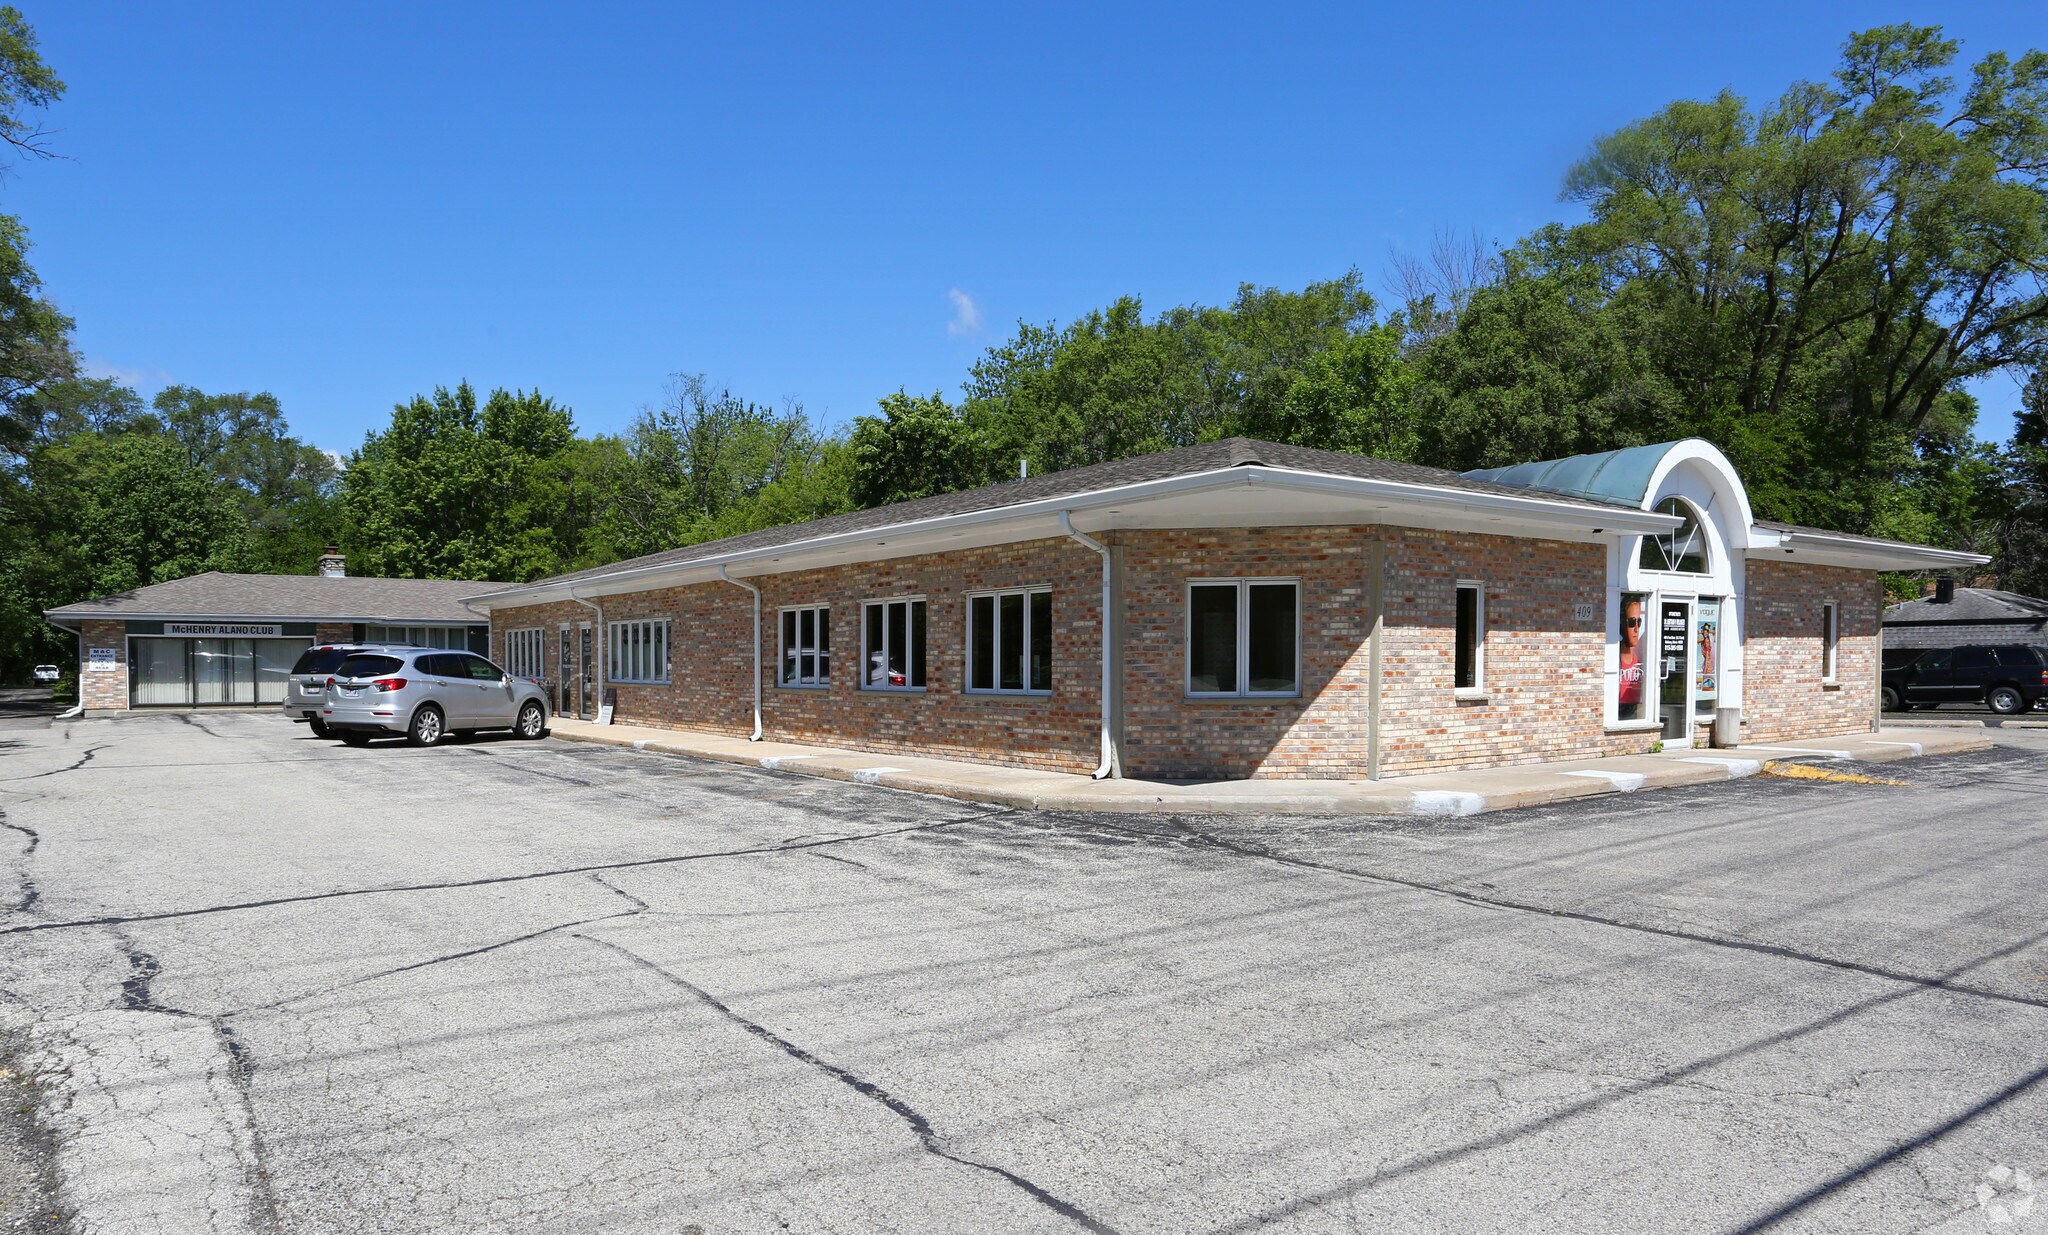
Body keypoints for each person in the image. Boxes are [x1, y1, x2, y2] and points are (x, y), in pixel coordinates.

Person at [1618, 596, 1646, 720]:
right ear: (1622, 623)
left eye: (1638, 622)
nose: (1636, 629)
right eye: (1631, 622)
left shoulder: (1641, 659)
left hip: (1635, 711)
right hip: (1616, 710)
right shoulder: (1614, 657)